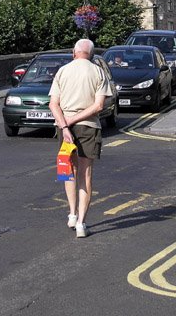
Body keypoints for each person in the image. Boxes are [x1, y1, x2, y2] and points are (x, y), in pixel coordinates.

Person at [49, 39, 113, 238]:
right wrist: (75, 120)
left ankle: (72, 214)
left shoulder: (63, 71)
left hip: (64, 126)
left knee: (69, 171)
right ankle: (82, 225)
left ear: (73, 52)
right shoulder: (98, 72)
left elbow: (53, 104)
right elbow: (98, 106)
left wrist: (66, 125)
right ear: (92, 54)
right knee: (85, 175)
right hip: (89, 126)